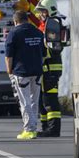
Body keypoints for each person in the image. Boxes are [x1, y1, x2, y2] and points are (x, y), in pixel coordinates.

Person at [5, 10, 46, 140]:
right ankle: (33, 128)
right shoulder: (38, 33)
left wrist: (9, 71)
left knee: (25, 101)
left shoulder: (14, 33)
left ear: (16, 21)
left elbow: (8, 56)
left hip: (21, 72)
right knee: (34, 100)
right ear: (27, 19)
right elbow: (44, 54)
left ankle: (29, 129)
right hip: (37, 72)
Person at [35, 0, 64, 137]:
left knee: (50, 100)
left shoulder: (53, 25)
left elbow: (52, 49)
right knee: (42, 101)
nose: (40, 14)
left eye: (42, 11)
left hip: (51, 69)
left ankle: (53, 129)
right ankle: (46, 127)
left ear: (49, 11)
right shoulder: (46, 25)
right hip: (45, 69)